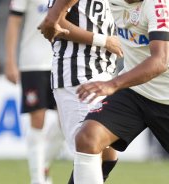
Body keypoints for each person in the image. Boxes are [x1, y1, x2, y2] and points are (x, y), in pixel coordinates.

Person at [39, 0, 169, 183]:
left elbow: (159, 61)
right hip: (134, 91)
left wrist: (112, 84)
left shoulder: (160, 5)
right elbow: (55, 16)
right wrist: (53, 17)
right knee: (87, 138)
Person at [38, 0, 123, 183]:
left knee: (108, 156)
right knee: (90, 150)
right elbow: (54, 22)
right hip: (78, 74)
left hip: (104, 75)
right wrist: (104, 41)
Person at [4, 0, 65, 183]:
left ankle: (43, 164)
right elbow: (14, 22)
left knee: (66, 123)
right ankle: (37, 179)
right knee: (37, 120)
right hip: (33, 61)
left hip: (63, 61)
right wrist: (10, 61)